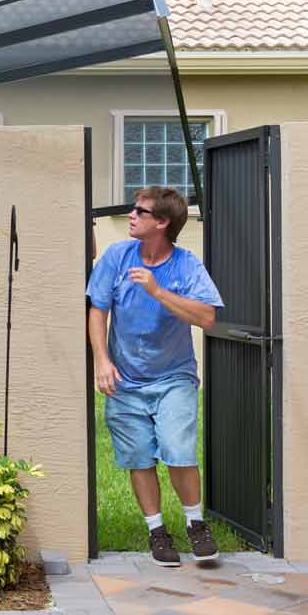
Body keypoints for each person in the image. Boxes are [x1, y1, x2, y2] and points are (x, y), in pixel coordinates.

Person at [87, 186, 223, 567]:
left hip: (173, 377)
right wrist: (102, 360)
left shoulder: (186, 265)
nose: (131, 215)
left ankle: (196, 525)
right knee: (139, 457)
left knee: (178, 448)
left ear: (162, 222)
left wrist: (157, 290)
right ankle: (157, 531)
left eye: (139, 211)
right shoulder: (116, 256)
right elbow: (97, 311)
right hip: (125, 379)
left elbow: (208, 317)